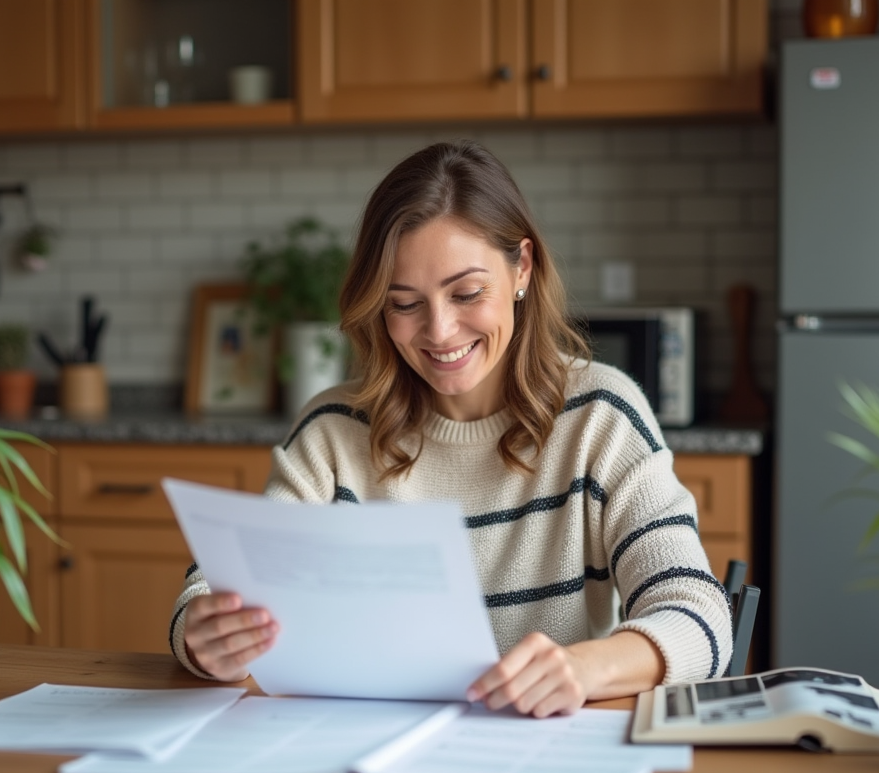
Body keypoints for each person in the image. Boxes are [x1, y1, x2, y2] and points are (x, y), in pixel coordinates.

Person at [169, 140, 733, 717]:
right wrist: (206, 637)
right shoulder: (332, 434)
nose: (438, 331)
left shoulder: (600, 418)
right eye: (404, 304)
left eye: (466, 293)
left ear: (523, 269)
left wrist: (587, 666)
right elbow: (218, 591)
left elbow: (698, 616)